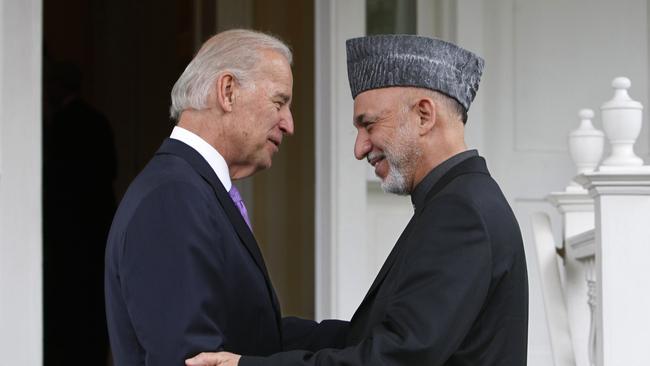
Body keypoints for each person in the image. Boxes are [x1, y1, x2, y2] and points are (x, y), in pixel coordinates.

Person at [186, 34, 529, 366]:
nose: (359, 148)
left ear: (424, 115)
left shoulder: (461, 212)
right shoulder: (457, 201)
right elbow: (370, 339)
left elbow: (395, 357)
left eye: (368, 125)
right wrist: (259, 333)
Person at [105, 29, 349, 366]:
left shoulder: (193, 189)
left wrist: (375, 338)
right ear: (228, 91)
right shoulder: (172, 198)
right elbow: (189, 358)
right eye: (279, 102)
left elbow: (253, 335)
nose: (289, 124)